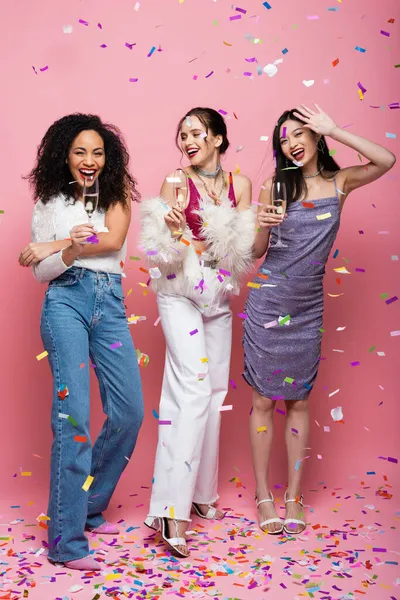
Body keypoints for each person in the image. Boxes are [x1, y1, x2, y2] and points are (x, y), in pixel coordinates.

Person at [243, 104, 396, 536]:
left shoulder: (340, 182)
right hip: (268, 303)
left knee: (299, 402)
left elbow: (386, 160)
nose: (291, 144)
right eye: (283, 139)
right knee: (261, 402)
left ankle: (293, 495)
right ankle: (263, 495)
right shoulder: (277, 186)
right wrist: (261, 223)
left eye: (298, 134)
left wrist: (335, 128)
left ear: (314, 136)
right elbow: (257, 253)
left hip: (308, 308)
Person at [19, 114, 144, 570]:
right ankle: (66, 542)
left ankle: (88, 504)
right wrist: (63, 251)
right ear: (64, 156)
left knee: (129, 411)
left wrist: (54, 243)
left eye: (97, 152)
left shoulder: (118, 196)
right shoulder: (48, 201)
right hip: (65, 302)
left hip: (109, 304)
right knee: (73, 419)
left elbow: (112, 241)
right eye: (79, 151)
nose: (89, 160)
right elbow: (39, 271)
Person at [140, 107, 255, 557]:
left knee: (212, 394)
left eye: (196, 132)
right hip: (178, 294)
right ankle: (170, 511)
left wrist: (193, 239)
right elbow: (160, 255)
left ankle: (203, 493)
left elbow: (240, 252)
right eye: (182, 133)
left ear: (219, 139)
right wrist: (174, 238)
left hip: (218, 300)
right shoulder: (174, 182)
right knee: (189, 389)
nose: (187, 140)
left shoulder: (239, 185)